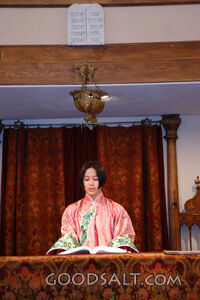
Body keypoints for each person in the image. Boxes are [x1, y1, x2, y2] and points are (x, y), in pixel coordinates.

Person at [46, 161, 138, 255]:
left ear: (101, 180)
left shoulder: (117, 210)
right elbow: (68, 241)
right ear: (82, 181)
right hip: (79, 266)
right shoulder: (71, 211)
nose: (91, 183)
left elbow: (124, 239)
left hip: (110, 265)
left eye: (95, 179)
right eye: (86, 179)